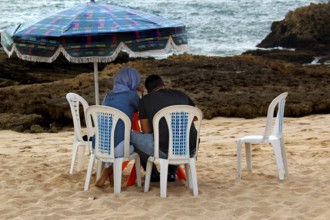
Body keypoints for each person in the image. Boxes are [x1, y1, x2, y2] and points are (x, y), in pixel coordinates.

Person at [131, 74, 198, 182]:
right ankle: (171, 173)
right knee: (176, 136)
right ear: (163, 85)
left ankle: (153, 174)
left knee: (132, 137)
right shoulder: (181, 94)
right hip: (191, 148)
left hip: (164, 149)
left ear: (148, 90)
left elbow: (146, 131)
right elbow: (196, 116)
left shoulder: (146, 100)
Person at [94, 67, 141, 187]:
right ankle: (106, 173)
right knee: (138, 145)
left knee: (116, 138)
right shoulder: (131, 95)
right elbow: (140, 109)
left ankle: (111, 177)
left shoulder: (107, 96)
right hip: (118, 148)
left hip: (99, 146)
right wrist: (141, 94)